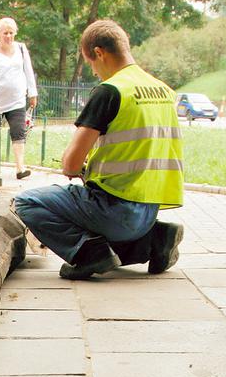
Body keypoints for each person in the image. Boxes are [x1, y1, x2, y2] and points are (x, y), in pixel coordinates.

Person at [13, 19, 185, 280]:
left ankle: (87, 253)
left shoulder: (111, 91)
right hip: (149, 210)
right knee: (103, 230)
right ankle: (154, 238)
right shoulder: (164, 91)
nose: (94, 71)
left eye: (91, 63)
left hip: (115, 210)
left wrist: (79, 169)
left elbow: (71, 164)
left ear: (98, 53)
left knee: (27, 202)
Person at [0, 17, 38, 180]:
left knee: (19, 132)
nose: (9, 36)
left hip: (17, 100)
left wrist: (33, 93)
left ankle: (20, 168)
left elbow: (29, 71)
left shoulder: (21, 49)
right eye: (5, 33)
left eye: (11, 33)